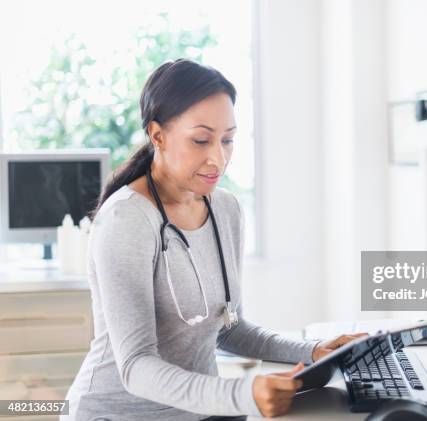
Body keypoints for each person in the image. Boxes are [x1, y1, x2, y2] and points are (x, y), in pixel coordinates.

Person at [62, 59, 365, 421]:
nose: (218, 159)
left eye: (228, 140)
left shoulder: (226, 209)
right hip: (118, 413)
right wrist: (242, 394)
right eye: (201, 140)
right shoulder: (126, 220)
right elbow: (135, 366)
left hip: (200, 411)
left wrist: (314, 351)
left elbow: (228, 328)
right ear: (157, 136)